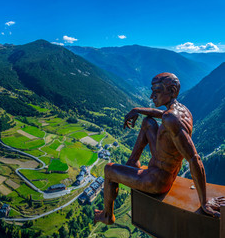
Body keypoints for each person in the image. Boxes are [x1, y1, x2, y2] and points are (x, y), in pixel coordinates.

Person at [94, 72, 222, 224]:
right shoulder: (182, 111)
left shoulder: (171, 119)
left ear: (172, 91)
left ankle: (107, 215)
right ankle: (133, 163)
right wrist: (137, 109)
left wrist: (204, 201)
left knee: (109, 169)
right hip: (164, 167)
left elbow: (194, 159)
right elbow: (161, 114)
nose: (151, 96)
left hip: (157, 181)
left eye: (157, 92)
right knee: (148, 122)